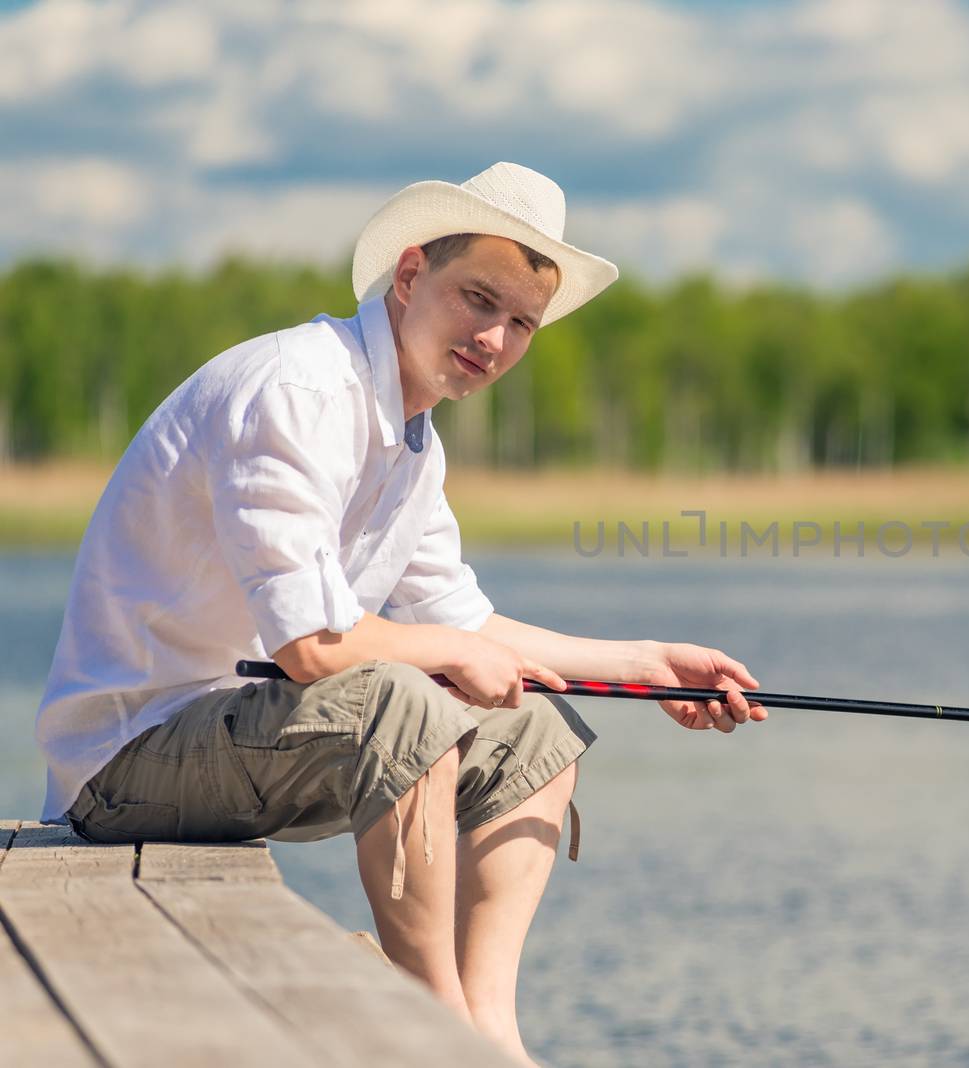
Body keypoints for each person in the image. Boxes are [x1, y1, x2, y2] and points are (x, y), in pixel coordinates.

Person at [34, 162, 765, 1065]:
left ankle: (489, 1028)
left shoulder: (414, 446)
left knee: (532, 727)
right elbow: (310, 645)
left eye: (521, 322)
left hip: (241, 751)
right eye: (478, 298)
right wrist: (444, 654)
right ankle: (434, 1028)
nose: (493, 338)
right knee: (402, 697)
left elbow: (470, 624)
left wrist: (648, 663)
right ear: (411, 276)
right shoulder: (301, 391)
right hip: (126, 765)